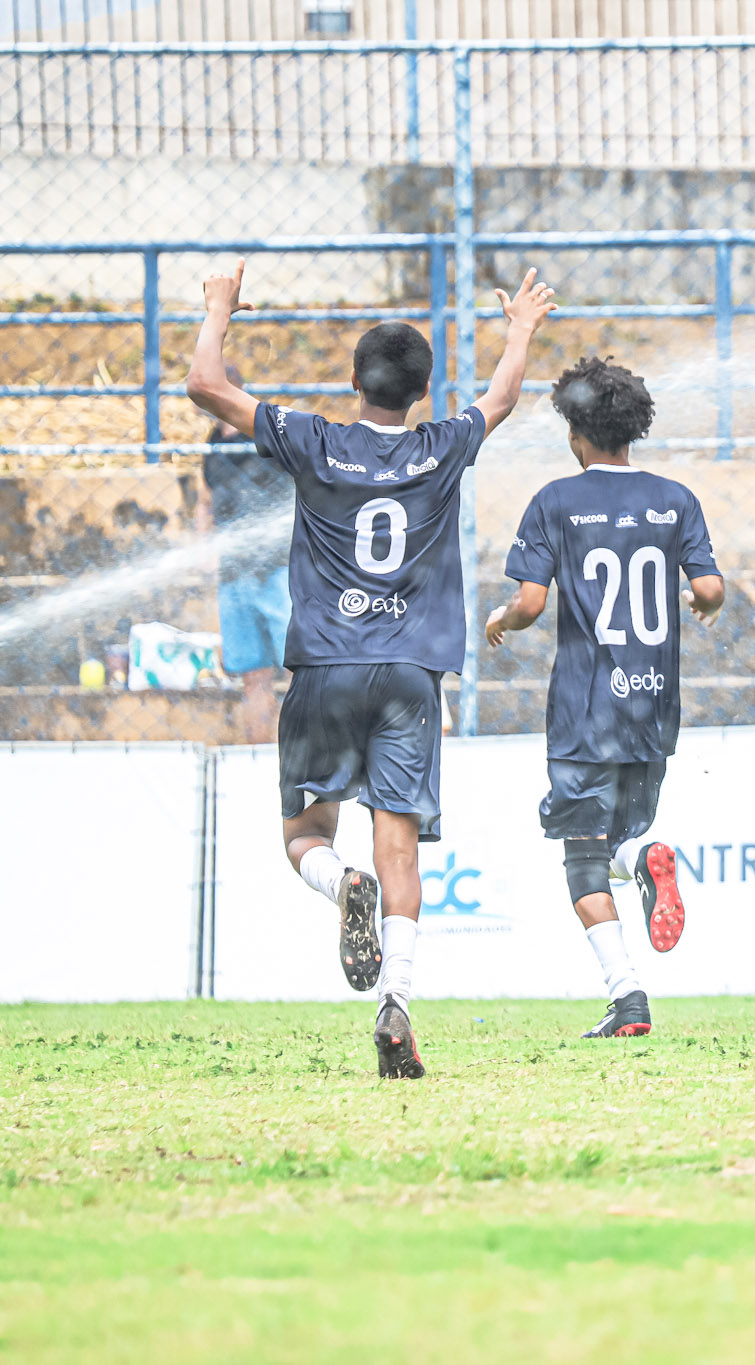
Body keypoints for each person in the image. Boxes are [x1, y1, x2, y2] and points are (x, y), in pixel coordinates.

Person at [186, 257, 556, 1078]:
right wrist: (521, 329)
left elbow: (205, 385)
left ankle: (336, 882)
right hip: (410, 676)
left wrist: (220, 308)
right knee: (401, 852)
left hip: (325, 666)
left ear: (353, 382)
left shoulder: (315, 439)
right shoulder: (441, 447)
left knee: (305, 833)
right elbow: (500, 398)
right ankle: (396, 1001)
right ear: (423, 393)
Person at [486, 357, 725, 1039]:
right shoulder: (676, 499)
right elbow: (710, 589)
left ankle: (628, 994)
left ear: (574, 432)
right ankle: (641, 877)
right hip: (652, 705)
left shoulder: (556, 501)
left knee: (582, 857)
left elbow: (531, 603)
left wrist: (503, 618)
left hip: (585, 708)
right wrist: (701, 603)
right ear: (635, 429)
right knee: (613, 840)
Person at [198, 363, 294, 743]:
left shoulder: (268, 432)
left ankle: (303, 756)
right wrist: (205, 549)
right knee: (253, 677)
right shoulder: (213, 444)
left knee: (301, 670)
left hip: (279, 570)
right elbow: (205, 500)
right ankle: (257, 751)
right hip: (235, 576)